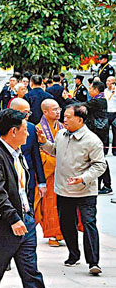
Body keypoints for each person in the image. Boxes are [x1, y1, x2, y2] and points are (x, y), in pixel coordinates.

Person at [42, 102, 106, 274]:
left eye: (68, 117)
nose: (64, 120)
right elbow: (55, 150)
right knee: (66, 223)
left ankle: (93, 262)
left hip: (85, 190)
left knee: (88, 223)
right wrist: (44, 143)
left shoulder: (92, 140)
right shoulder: (61, 134)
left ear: (80, 119)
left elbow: (100, 165)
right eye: (64, 116)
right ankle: (73, 254)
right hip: (64, 189)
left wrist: (83, 178)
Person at [35, 99, 64, 247]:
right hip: (49, 173)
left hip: (63, 173)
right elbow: (38, 153)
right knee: (49, 204)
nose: (58, 112)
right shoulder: (38, 129)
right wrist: (55, 161)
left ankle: (63, 233)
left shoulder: (63, 127)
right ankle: (52, 234)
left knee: (63, 204)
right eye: (54, 109)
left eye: (59, 109)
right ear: (45, 112)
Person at [86, 80, 111, 194]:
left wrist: (67, 99)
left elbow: (83, 106)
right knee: (98, 159)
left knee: (100, 159)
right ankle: (101, 184)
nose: (89, 90)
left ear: (96, 90)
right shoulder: (101, 99)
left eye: (91, 88)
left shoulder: (97, 101)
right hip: (101, 132)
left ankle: (106, 185)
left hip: (98, 133)